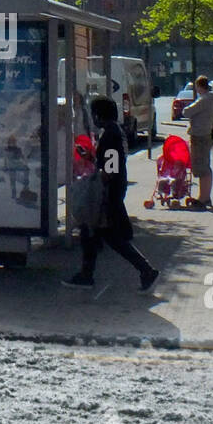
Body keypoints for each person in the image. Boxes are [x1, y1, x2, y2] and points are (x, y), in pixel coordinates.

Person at [63, 98, 159, 293]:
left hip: (107, 194)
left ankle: (145, 270)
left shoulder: (110, 135)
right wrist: (92, 158)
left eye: (94, 114)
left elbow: (111, 168)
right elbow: (109, 162)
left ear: (99, 114)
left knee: (107, 236)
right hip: (111, 192)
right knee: (92, 233)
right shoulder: (113, 132)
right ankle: (87, 274)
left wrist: (98, 184)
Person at [181, 76, 213, 208]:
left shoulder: (204, 99)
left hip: (199, 135)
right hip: (205, 133)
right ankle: (205, 196)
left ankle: (204, 198)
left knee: (202, 167)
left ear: (198, 86)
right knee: (205, 166)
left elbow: (186, 112)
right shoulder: (212, 98)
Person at [3, 135, 29, 200]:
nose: (13, 143)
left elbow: (22, 157)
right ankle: (14, 193)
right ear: (9, 142)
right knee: (12, 179)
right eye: (11, 141)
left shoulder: (18, 149)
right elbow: (6, 159)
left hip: (16, 164)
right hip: (11, 165)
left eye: (14, 141)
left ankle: (25, 187)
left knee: (26, 169)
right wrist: (5, 166)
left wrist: (23, 157)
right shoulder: (7, 149)